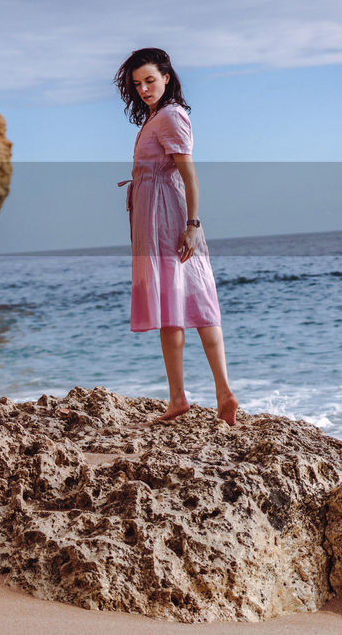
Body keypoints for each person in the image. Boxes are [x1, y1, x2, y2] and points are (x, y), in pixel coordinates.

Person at [114, 48, 238, 426]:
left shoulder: (170, 116)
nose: (144, 89)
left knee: (190, 305)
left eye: (150, 80)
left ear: (166, 77)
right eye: (137, 84)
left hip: (169, 217)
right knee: (182, 304)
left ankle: (215, 394)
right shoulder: (156, 116)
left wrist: (192, 225)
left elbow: (190, 176)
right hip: (156, 216)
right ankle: (189, 397)